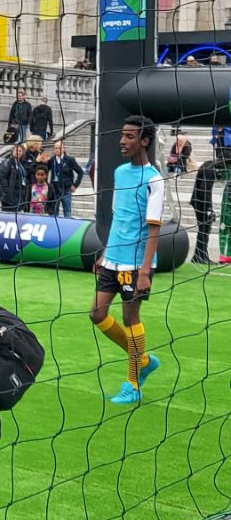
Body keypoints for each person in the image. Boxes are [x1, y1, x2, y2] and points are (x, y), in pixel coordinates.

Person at [89, 116, 164, 405]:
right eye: (122, 135)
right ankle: (143, 359)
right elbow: (119, 217)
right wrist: (105, 252)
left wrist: (145, 270)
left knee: (130, 317)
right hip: (113, 258)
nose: (122, 141)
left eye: (130, 136)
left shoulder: (154, 180)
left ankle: (132, 384)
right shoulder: (120, 173)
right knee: (96, 313)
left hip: (136, 263)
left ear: (144, 141)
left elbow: (154, 227)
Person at [48, 140, 84, 217]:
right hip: (55, 190)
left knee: (67, 212)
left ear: (63, 149)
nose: (57, 150)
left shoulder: (70, 160)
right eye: (55, 148)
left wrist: (75, 185)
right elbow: (44, 170)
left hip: (66, 190)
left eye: (59, 148)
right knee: (54, 213)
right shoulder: (51, 160)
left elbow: (80, 172)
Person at [0, 144, 30, 212]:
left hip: (18, 194)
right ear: (12, 151)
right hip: (9, 195)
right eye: (16, 150)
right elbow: (2, 178)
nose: (18, 152)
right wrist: (6, 192)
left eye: (20, 151)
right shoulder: (7, 162)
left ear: (23, 153)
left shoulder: (21, 164)